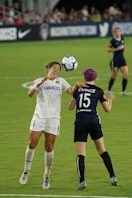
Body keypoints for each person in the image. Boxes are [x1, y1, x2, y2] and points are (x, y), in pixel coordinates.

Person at [19, 61, 85, 189]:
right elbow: (30, 94)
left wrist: (76, 86)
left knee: (49, 148)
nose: (57, 71)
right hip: (39, 117)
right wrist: (40, 83)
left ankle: (47, 177)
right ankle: (26, 171)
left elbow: (71, 91)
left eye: (59, 69)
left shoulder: (61, 81)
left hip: (54, 119)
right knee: (32, 144)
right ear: (48, 69)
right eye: (54, 68)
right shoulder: (39, 80)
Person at [68, 68, 118, 190]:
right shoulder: (99, 91)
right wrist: (110, 99)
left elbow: (70, 107)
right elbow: (107, 109)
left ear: (85, 78)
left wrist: (75, 92)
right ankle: (113, 177)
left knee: (81, 154)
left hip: (80, 122)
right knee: (102, 150)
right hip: (94, 122)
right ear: (95, 78)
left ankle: (82, 181)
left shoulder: (79, 90)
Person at [107, 27, 129, 96]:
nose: (117, 33)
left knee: (125, 75)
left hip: (122, 59)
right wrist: (117, 49)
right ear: (114, 33)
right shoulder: (112, 41)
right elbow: (108, 50)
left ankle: (123, 91)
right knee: (114, 76)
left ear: (120, 32)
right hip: (115, 60)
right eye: (116, 32)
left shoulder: (122, 38)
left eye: (119, 31)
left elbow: (122, 46)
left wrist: (124, 48)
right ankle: (108, 90)